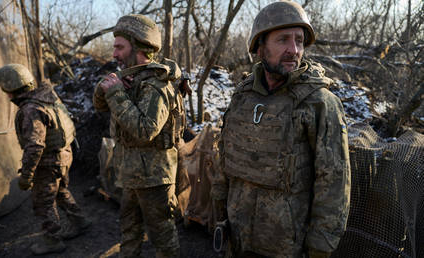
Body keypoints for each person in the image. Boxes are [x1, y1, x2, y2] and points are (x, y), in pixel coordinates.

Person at [211, 1, 351, 257]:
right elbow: (225, 157)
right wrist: (219, 211)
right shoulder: (243, 96)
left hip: (286, 246)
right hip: (238, 237)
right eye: (283, 40)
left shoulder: (319, 103)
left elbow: (334, 182)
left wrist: (320, 246)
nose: (293, 50)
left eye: (299, 41)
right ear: (260, 47)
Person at [93, 14, 185, 258]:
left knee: (163, 238)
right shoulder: (132, 79)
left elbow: (145, 130)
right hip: (131, 173)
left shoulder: (157, 85)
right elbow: (102, 106)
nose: (114, 54)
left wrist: (116, 94)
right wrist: (109, 88)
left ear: (140, 48)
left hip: (155, 178)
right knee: (129, 231)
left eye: (119, 47)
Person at [0, 64, 90, 255]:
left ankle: (52, 240)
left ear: (11, 89)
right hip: (64, 155)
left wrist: (27, 176)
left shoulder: (30, 109)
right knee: (61, 191)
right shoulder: (48, 98)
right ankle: (80, 221)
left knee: (43, 202)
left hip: (49, 162)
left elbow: (35, 146)